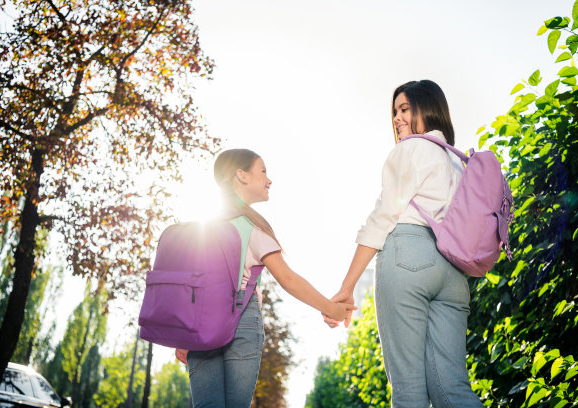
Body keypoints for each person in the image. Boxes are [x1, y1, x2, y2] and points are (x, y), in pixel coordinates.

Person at [326, 80, 484, 408]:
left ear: (428, 108)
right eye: (395, 111)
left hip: (408, 255)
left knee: (409, 389)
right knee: (452, 387)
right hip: (453, 272)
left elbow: (383, 216)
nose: (397, 118)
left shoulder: (411, 149)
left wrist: (347, 285)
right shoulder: (458, 162)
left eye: (405, 109)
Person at [175, 148, 355, 408]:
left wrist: (183, 336)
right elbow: (288, 279)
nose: (269, 180)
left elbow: (189, 286)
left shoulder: (200, 228)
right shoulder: (252, 227)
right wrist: (332, 309)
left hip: (199, 323)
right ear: (242, 175)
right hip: (242, 320)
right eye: (263, 171)